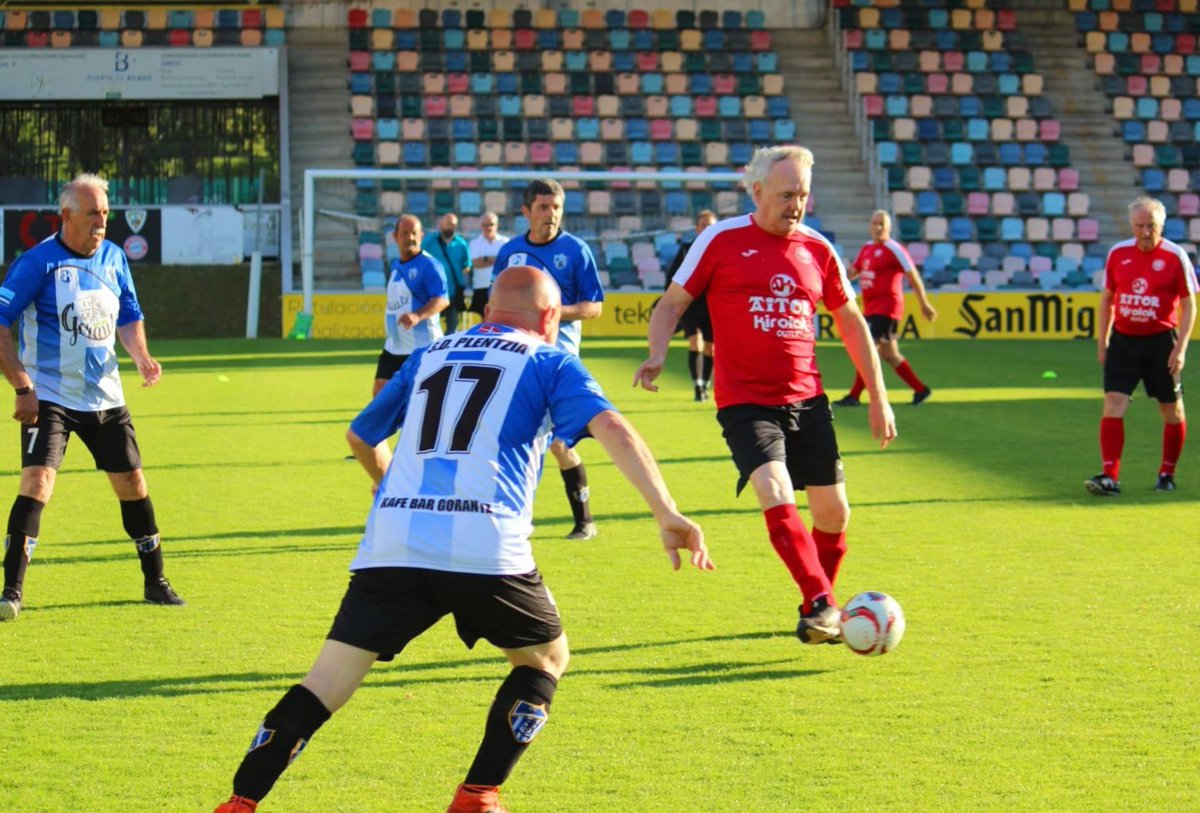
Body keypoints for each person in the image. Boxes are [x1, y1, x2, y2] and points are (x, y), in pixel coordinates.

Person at [212, 265, 713, 813]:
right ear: (551, 317)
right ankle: (478, 794)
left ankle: (240, 802)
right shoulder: (549, 359)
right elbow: (612, 428)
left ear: (488, 311)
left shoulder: (430, 354)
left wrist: (389, 488)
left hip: (394, 540)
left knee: (325, 683)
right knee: (545, 659)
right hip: (485, 544)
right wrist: (667, 512)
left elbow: (360, 435)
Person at [634, 145, 897, 645]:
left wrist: (879, 397)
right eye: (786, 195)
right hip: (746, 402)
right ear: (757, 192)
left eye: (803, 195)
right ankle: (821, 602)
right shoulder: (720, 239)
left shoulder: (818, 249)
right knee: (775, 491)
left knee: (834, 514)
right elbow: (671, 303)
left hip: (808, 399)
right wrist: (657, 353)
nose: (796, 205)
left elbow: (851, 322)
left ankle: (815, 607)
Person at [0, 173, 183, 621]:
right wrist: (23, 386)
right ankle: (10, 592)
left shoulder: (115, 257)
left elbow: (130, 314)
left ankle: (156, 582)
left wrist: (141, 356)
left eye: (104, 213)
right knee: (37, 482)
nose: (101, 222)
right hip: (50, 396)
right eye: (92, 214)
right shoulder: (36, 263)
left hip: (105, 396)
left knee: (132, 483)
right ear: (66, 216)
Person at [493, 179, 605, 540]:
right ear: (526, 212)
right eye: (543, 207)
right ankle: (511, 518)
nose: (551, 214)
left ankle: (583, 520)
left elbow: (594, 307)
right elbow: (497, 302)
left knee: (557, 443)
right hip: (515, 358)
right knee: (515, 438)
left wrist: (551, 311)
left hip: (557, 361)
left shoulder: (575, 250)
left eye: (556, 207)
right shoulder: (510, 252)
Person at [1086, 196, 1196, 496]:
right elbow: (1107, 299)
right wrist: (1102, 341)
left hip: (1161, 343)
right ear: (1131, 225)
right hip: (1124, 341)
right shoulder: (1118, 253)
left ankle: (1166, 473)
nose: (1146, 232)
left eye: (1152, 226)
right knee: (1113, 403)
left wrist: (1180, 348)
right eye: (1140, 226)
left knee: (1172, 411)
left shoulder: (1175, 256)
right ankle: (1110, 476)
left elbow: (1189, 304)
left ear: (1162, 225)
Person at [833, 209, 937, 407]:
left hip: (887, 308)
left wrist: (924, 303)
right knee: (889, 354)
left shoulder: (894, 249)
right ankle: (920, 390)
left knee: (866, 348)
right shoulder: (867, 248)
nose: (878, 227)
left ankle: (854, 396)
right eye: (875, 223)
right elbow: (854, 272)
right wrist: (836, 278)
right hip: (871, 308)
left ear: (889, 227)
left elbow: (913, 275)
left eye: (882, 223)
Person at [373, 214, 450, 397]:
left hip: (422, 347)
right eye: (405, 233)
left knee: (420, 399)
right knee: (380, 392)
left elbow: (442, 300)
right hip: (394, 346)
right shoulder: (395, 265)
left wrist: (417, 315)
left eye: (414, 233)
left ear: (421, 236)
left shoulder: (429, 265)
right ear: (395, 237)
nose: (410, 238)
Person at [665, 210, 718, 402]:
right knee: (696, 342)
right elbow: (672, 278)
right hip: (690, 306)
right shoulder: (687, 250)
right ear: (697, 229)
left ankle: (705, 383)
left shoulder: (722, 251)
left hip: (712, 307)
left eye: (710, 225)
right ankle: (697, 387)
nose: (706, 229)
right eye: (703, 225)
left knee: (710, 349)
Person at [422, 212, 471, 334]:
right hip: (433, 293)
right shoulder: (429, 242)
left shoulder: (461, 244)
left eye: (453, 224)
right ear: (440, 224)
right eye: (447, 223)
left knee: (453, 327)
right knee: (431, 326)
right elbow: (420, 260)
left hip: (453, 292)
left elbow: (467, 265)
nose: (450, 227)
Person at [468, 212, 508, 319]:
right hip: (481, 287)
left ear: (497, 225)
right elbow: (475, 264)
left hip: (501, 287)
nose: (488, 228)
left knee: (499, 318)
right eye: (485, 225)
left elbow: (506, 263)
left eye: (491, 224)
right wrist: (496, 260)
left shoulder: (505, 242)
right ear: (481, 226)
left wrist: (484, 259)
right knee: (482, 319)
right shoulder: (474, 243)